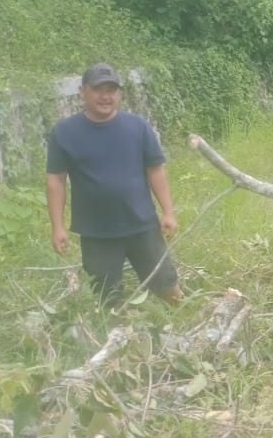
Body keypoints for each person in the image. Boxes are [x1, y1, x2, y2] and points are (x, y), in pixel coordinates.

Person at [46, 63, 182, 308]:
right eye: (98, 89)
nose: (105, 96)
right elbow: (55, 179)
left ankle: (184, 326)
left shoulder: (138, 127)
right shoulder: (64, 133)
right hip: (96, 233)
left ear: (119, 93)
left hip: (142, 225)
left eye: (112, 89)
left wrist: (168, 212)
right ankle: (120, 340)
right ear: (82, 92)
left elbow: (156, 170)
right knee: (108, 298)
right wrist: (57, 227)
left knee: (166, 284)